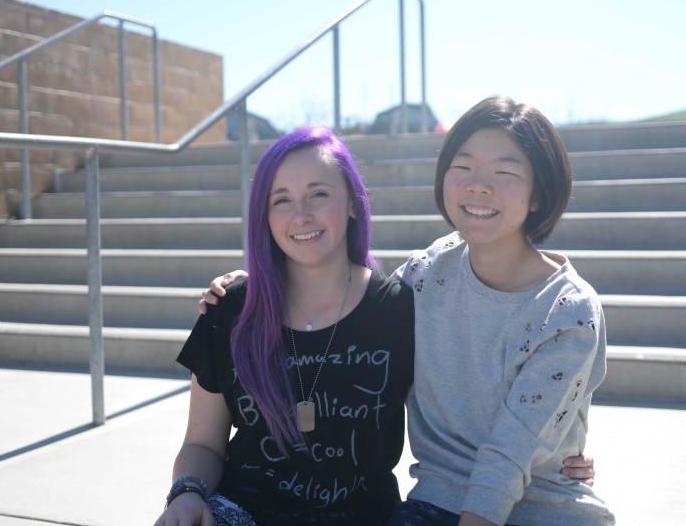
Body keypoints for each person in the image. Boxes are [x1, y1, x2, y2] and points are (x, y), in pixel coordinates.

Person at [202, 96, 610, 525]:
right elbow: (346, 296)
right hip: (435, 504)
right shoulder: (427, 274)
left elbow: (508, 458)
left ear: (538, 195)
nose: (478, 185)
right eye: (463, 166)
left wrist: (561, 447)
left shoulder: (568, 310)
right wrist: (250, 286)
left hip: (542, 510)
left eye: (504, 172)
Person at [154, 128, 416, 526]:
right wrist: (186, 493)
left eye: (319, 194)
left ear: (351, 202)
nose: (301, 215)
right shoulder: (231, 309)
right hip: (243, 514)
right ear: (265, 215)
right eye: (282, 200)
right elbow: (202, 443)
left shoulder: (398, 309)